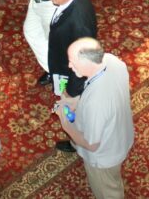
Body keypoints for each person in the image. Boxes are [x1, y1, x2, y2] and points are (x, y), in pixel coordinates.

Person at [54, 38, 134, 198]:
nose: (69, 66)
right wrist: (78, 102)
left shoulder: (96, 103)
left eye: (72, 61)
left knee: (107, 190)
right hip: (120, 131)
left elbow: (92, 145)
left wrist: (65, 124)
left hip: (104, 156)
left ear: (86, 63)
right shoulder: (112, 61)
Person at [47, 0, 98, 100]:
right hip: (61, 58)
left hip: (68, 70)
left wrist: (71, 91)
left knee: (70, 107)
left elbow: (83, 62)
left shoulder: (79, 25)